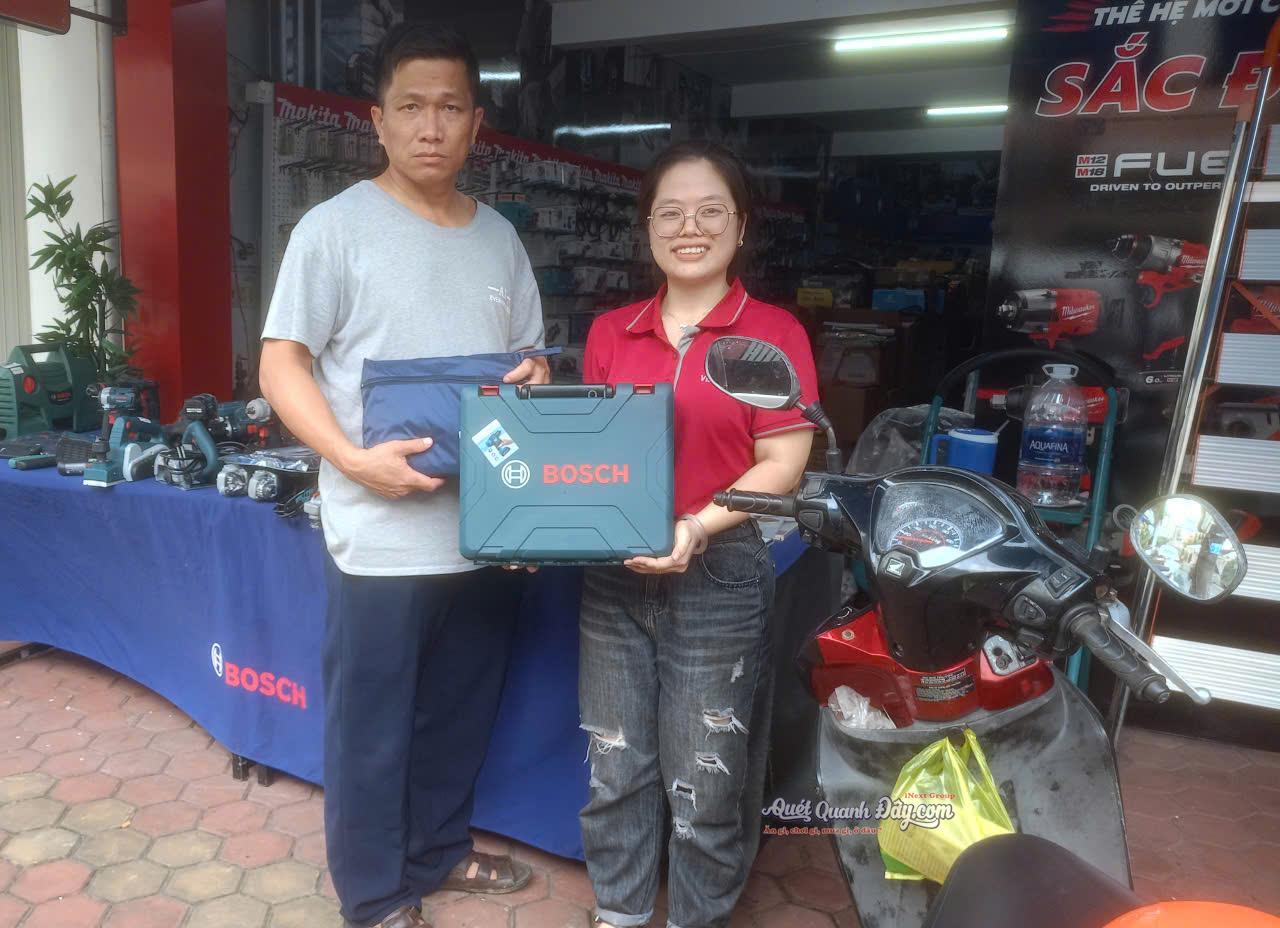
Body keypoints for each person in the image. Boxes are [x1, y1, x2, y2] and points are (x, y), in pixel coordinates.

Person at [258, 22, 547, 928]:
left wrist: (533, 380)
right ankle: (376, 894)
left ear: (477, 124)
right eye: (411, 107)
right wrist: (349, 459)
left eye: (450, 108)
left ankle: (438, 852)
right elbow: (280, 364)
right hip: (380, 536)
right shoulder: (333, 231)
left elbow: (529, 365)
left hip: (485, 535)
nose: (431, 126)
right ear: (377, 121)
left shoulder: (500, 239)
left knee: (459, 713)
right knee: (373, 726)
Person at [578, 141, 819, 928]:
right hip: (615, 572)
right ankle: (618, 914)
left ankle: (695, 917)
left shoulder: (772, 333)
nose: (690, 228)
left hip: (720, 571)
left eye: (711, 211)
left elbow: (782, 462)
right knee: (615, 762)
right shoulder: (612, 332)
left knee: (705, 777)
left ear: (741, 226)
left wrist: (696, 525)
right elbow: (591, 452)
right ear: (647, 226)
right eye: (671, 212)